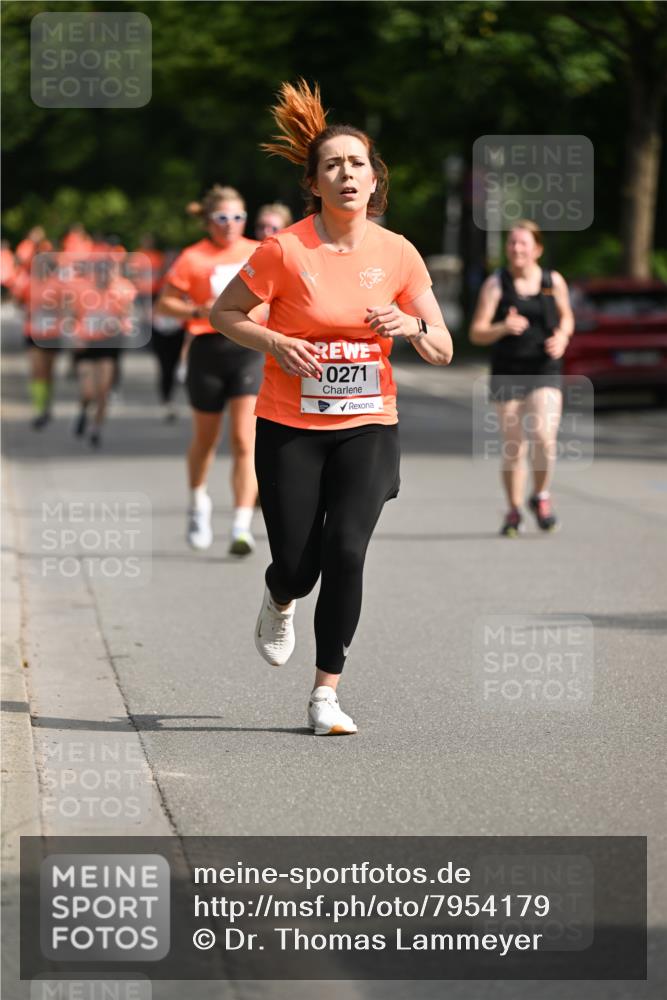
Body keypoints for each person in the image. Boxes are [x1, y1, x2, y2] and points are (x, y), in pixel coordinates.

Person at [211, 79, 453, 736]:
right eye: (332, 166)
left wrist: (408, 326)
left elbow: (441, 347)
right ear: (314, 184)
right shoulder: (285, 250)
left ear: (375, 180)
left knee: (346, 550)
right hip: (290, 425)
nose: (347, 174)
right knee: (299, 561)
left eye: (357, 163)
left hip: (368, 425)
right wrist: (277, 342)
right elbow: (224, 313)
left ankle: (324, 695)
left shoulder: (397, 253)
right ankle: (279, 594)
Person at [156, 187, 263, 555]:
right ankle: (198, 502)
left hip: (249, 350)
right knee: (206, 440)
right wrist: (196, 312)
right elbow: (165, 303)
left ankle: (240, 526)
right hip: (207, 349)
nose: (231, 225)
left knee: (244, 440)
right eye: (222, 218)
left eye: (238, 217)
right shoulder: (193, 257)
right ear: (208, 221)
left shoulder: (258, 252)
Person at [469, 221, 574, 536]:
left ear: (537, 249)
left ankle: (540, 495)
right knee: (514, 446)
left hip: (545, 369)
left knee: (544, 436)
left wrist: (563, 337)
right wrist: (502, 327)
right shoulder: (496, 284)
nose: (516, 249)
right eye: (512, 243)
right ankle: (514, 510)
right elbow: (477, 332)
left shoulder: (552, 281)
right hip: (508, 371)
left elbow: (567, 316)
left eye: (523, 244)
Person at [71, 256, 137, 447]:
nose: (105, 276)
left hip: (108, 344)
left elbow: (128, 314)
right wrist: (76, 336)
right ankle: (83, 412)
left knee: (103, 390)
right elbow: (72, 316)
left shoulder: (122, 289)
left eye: (109, 272)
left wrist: (122, 316)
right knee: (87, 391)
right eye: (101, 272)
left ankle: (96, 428)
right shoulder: (82, 289)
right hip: (87, 343)